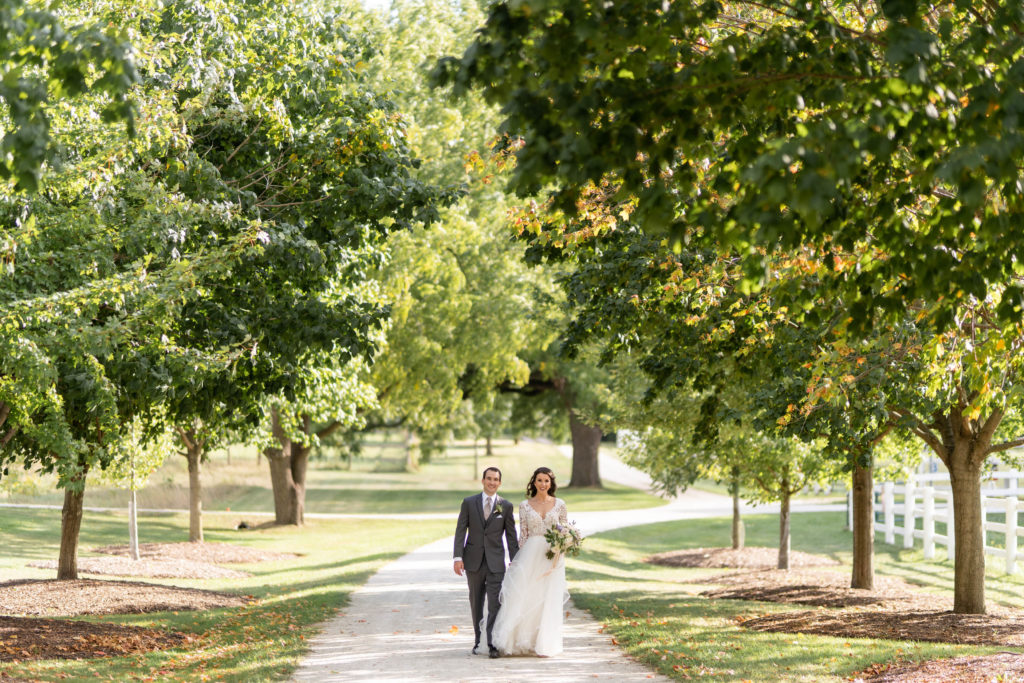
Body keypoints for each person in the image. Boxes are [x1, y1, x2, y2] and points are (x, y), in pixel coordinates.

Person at [491, 466, 570, 657]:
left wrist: (563, 546)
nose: (543, 484)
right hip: (529, 555)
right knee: (526, 595)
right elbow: (523, 535)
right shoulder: (525, 505)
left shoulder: (560, 504)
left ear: (551, 484)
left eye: (547, 481)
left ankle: (543, 643)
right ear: (534, 482)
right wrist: (517, 560)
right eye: (540, 480)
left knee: (548, 598)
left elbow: (565, 530)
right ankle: (519, 641)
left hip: (552, 557)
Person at [453, 466, 519, 658]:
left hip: (496, 562)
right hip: (472, 561)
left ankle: (492, 643)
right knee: (476, 601)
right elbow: (460, 530)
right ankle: (477, 641)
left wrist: (515, 561)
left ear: (499, 482)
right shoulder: (468, 503)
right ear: (483, 481)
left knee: (495, 603)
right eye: (489, 478)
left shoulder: (505, 506)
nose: (492, 482)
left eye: (495, 479)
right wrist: (458, 557)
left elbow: (511, 537)